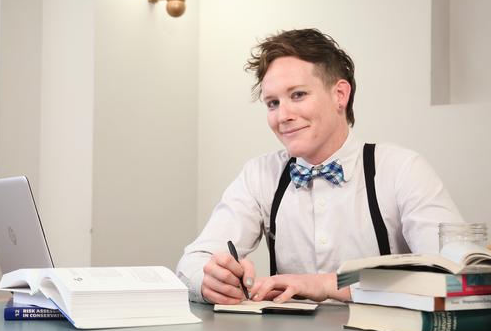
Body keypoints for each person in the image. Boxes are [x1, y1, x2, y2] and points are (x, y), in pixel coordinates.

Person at [176, 29, 463, 305]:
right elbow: (193, 260)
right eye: (273, 103)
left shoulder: (402, 170)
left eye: (298, 95)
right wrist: (209, 280)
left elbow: (455, 275)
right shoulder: (260, 175)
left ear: (340, 94)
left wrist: (328, 284)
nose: (283, 116)